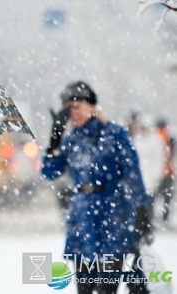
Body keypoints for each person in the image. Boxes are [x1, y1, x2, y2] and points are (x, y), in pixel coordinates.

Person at [41, 81, 153, 294]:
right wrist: (54, 140)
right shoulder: (70, 139)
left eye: (77, 105)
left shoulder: (114, 133)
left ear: (91, 105)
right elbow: (49, 172)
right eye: (67, 108)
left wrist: (142, 208)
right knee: (84, 288)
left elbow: (133, 173)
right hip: (82, 217)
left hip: (113, 213)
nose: (72, 112)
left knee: (107, 287)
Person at [155, 117, 176, 225]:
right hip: (168, 172)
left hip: (156, 174)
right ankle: (165, 219)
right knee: (167, 199)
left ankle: (151, 220)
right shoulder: (169, 138)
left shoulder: (155, 137)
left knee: (153, 197)